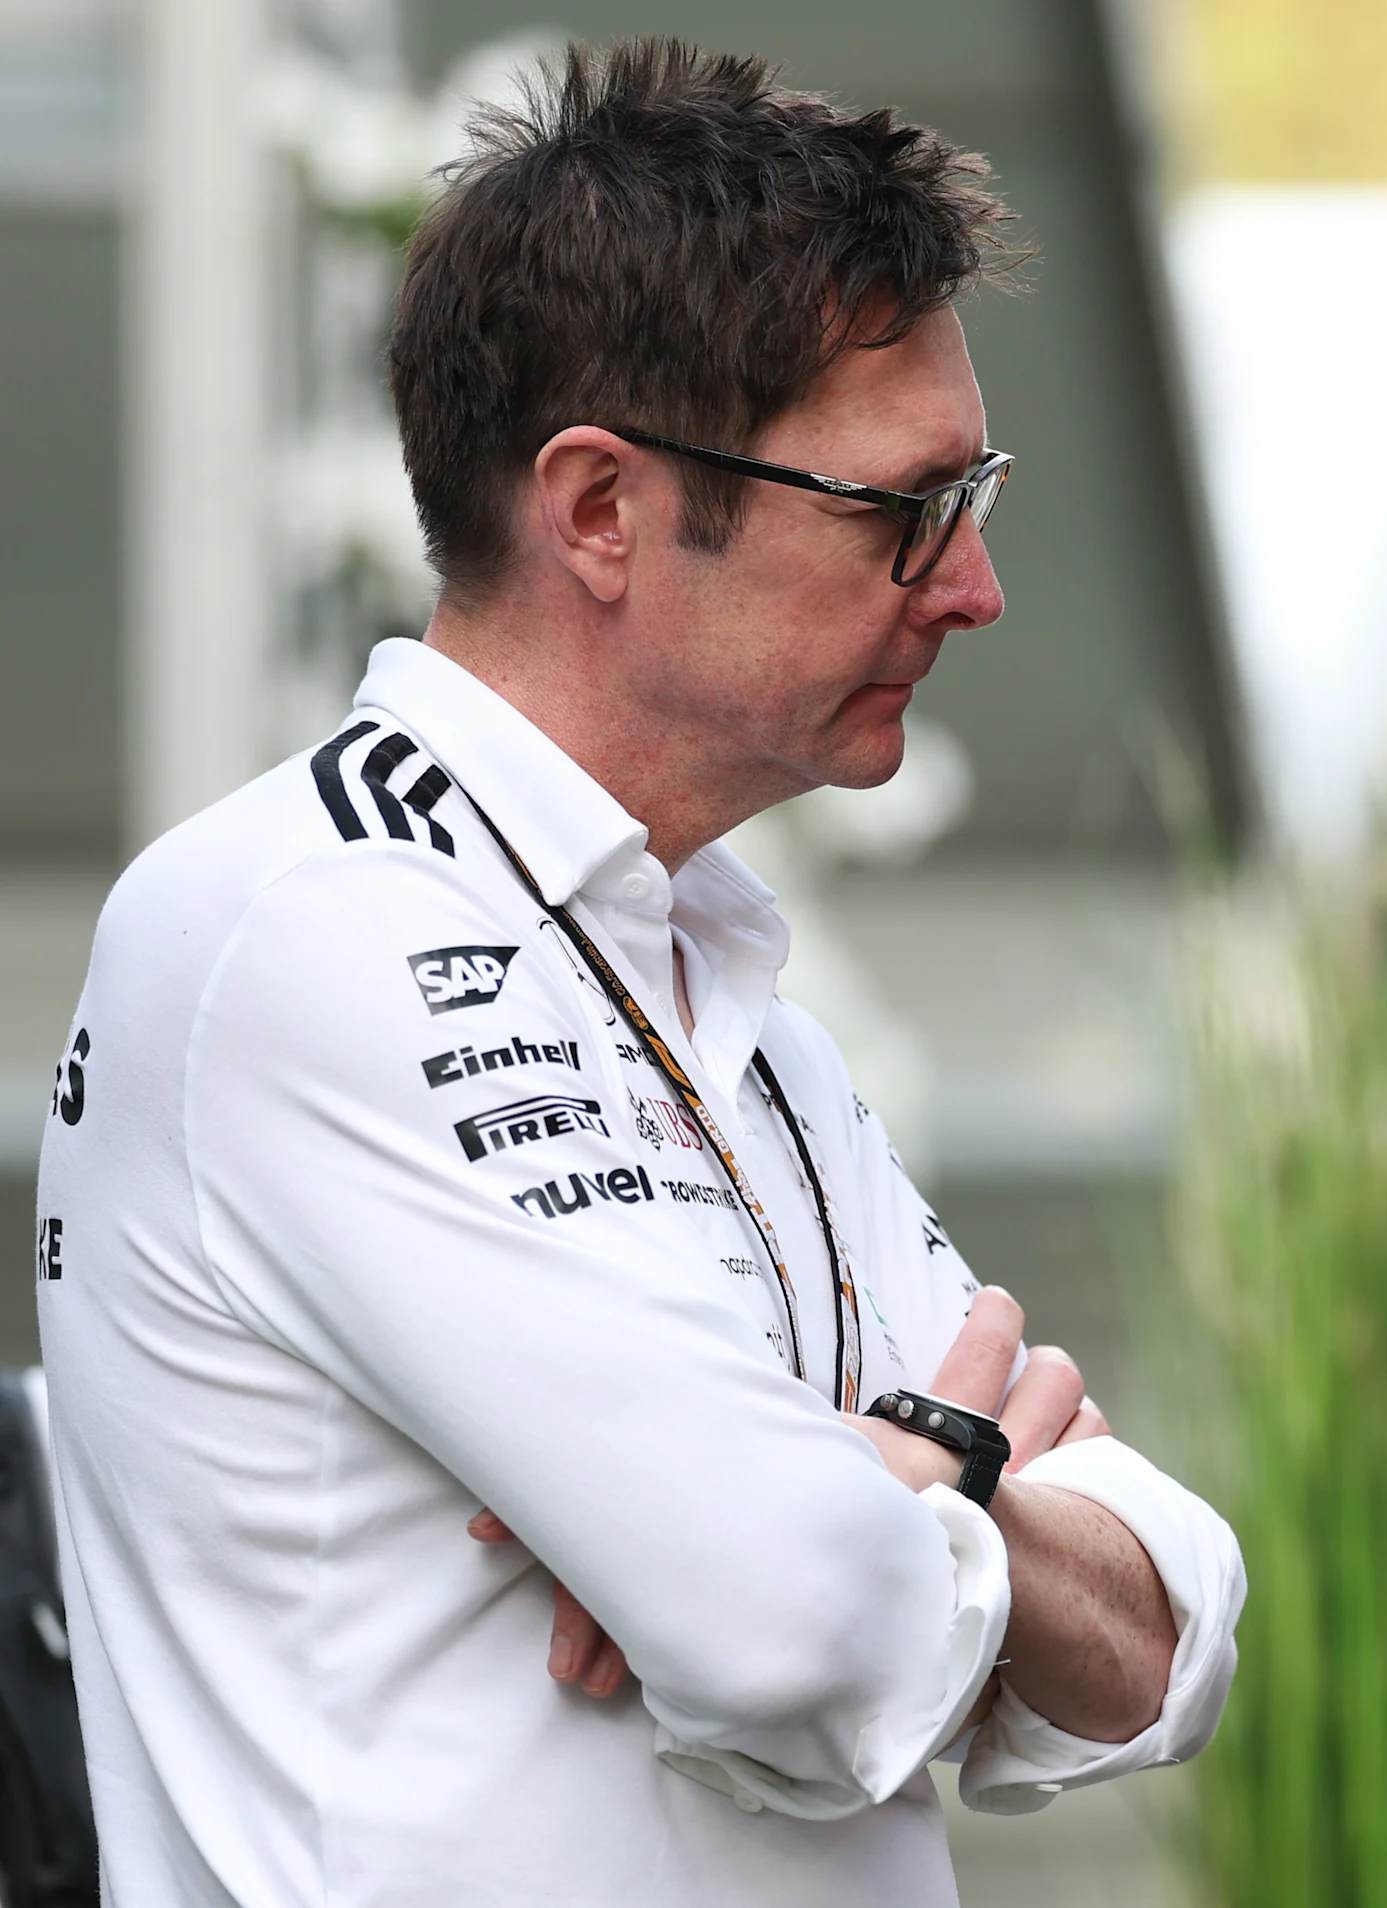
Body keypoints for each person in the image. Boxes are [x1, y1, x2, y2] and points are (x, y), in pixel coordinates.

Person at [37, 40, 1241, 1906]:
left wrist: (904, 1482)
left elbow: (1175, 1636)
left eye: (973, 492)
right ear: (598, 509)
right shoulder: (311, 920)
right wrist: (933, 1495)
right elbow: (793, 1626)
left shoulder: (720, 983)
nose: (976, 585)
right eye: (900, 508)